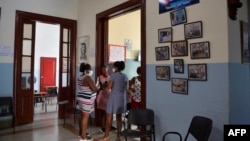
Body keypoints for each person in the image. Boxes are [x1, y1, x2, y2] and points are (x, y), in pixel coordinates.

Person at [98, 61, 128, 141]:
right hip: (122, 98)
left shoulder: (113, 75)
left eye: (114, 67)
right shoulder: (125, 76)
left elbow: (109, 87)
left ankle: (106, 136)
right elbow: (125, 87)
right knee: (119, 118)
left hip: (114, 97)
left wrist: (107, 84)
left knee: (109, 116)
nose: (113, 68)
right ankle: (118, 136)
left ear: (116, 68)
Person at [77, 63, 99, 141]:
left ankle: (81, 133)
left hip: (81, 98)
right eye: (90, 69)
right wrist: (98, 86)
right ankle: (83, 137)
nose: (91, 71)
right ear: (87, 70)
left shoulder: (80, 76)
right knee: (85, 117)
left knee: (81, 116)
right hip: (86, 100)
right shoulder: (87, 77)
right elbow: (94, 89)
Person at [96, 66, 111, 132]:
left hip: (109, 95)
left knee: (109, 112)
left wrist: (108, 85)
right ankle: (103, 126)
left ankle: (108, 125)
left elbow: (111, 86)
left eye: (106, 70)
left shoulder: (110, 77)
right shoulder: (99, 77)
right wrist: (102, 86)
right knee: (103, 112)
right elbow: (97, 87)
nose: (105, 71)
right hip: (102, 95)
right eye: (103, 70)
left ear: (108, 70)